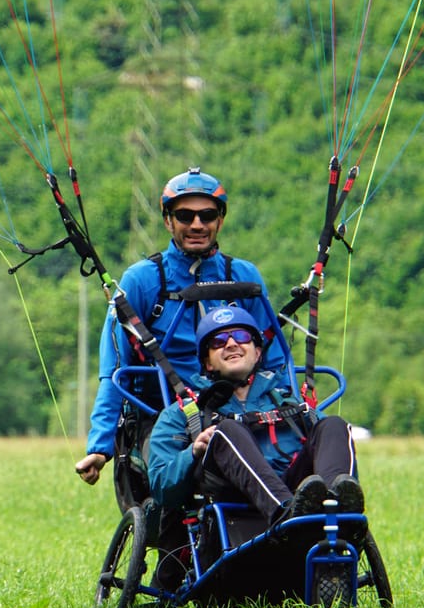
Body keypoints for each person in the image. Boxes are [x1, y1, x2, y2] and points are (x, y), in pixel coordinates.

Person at [74, 167, 285, 485]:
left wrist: (292, 412)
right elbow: (115, 369)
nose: (197, 225)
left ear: (220, 220)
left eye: (207, 215)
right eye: (185, 216)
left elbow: (274, 358)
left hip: (243, 409)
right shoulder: (143, 280)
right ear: (168, 220)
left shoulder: (244, 276)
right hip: (165, 416)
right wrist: (100, 446)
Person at [149, 306, 365, 528]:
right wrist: (192, 453)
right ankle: (286, 514)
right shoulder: (183, 414)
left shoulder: (290, 404)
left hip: (301, 499)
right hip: (235, 511)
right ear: (208, 363)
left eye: (242, 337)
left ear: (258, 353)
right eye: (219, 341)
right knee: (227, 430)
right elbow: (160, 488)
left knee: (334, 425)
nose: (232, 344)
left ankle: (340, 513)